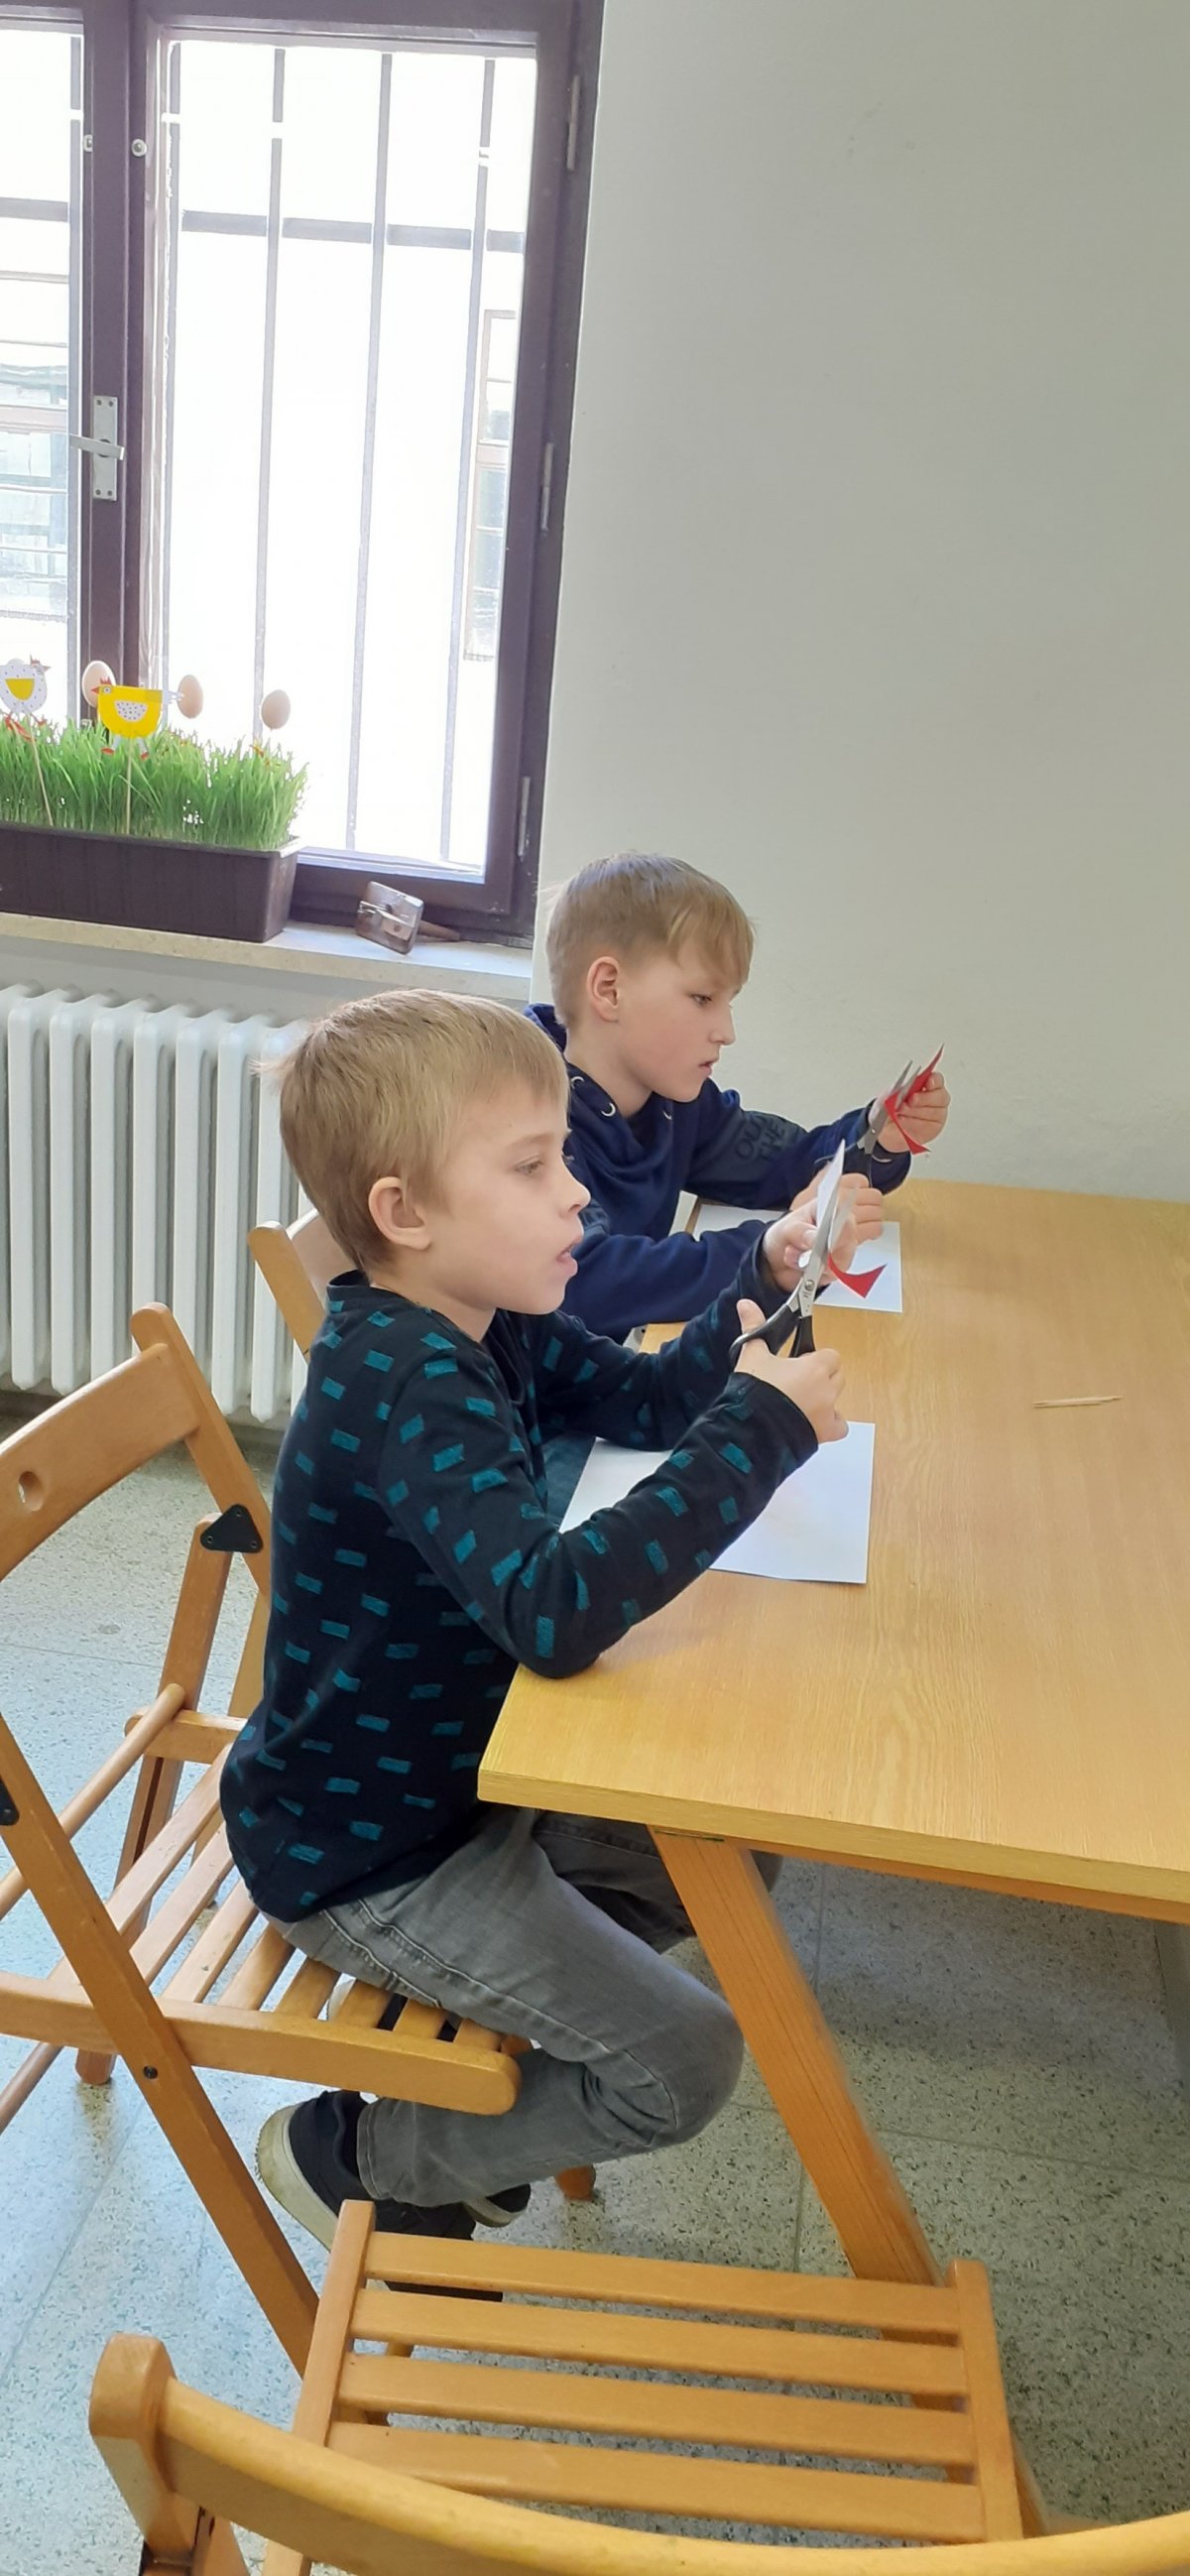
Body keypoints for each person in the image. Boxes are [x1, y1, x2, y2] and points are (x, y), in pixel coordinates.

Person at [223, 989, 858, 2250]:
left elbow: (638, 1399)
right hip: (371, 1853)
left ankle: (503, 2055)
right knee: (687, 2059)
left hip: (472, 1784)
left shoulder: (486, 1314)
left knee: (730, 1851)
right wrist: (760, 1430)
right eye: (531, 1166)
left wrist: (748, 1300)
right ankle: (361, 2152)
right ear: (405, 1214)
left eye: (563, 1155)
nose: (577, 1195)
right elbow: (552, 1611)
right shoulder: (405, 1379)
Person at [530, 851, 950, 1338]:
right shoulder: (525, 1118)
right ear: (609, 990)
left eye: (727, 1003)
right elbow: (586, 1279)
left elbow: (786, 1164)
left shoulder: (678, 1104)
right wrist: (771, 1250)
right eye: (702, 999)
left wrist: (877, 1134)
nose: (726, 1032)